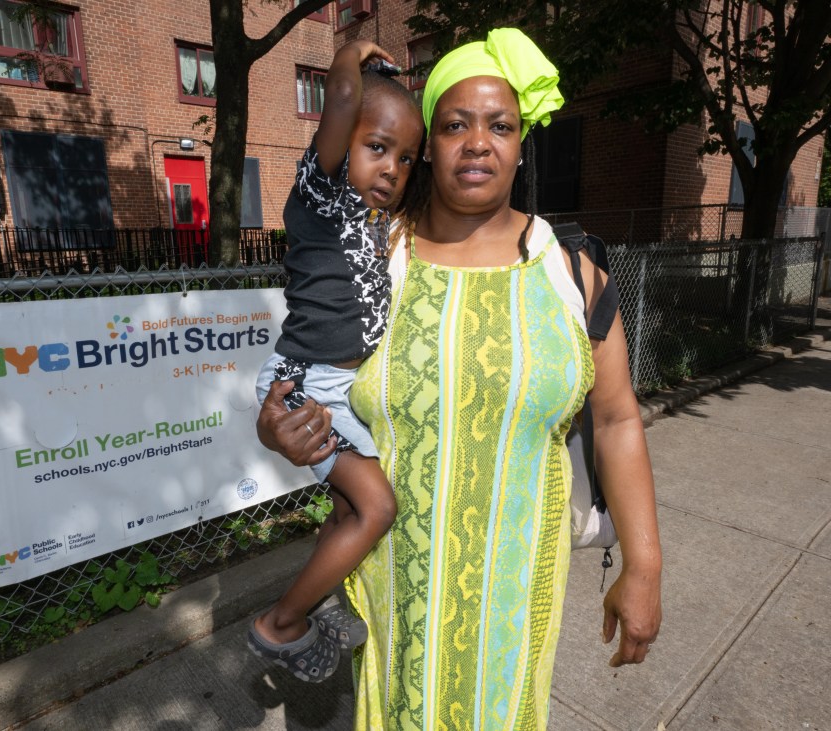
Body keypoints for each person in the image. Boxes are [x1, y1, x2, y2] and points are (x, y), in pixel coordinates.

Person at [256, 28, 663, 729]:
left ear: (520, 141)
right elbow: (306, 371)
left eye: (500, 125)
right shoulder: (376, 262)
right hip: (393, 598)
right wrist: (279, 427)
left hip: (513, 605)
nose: (478, 142)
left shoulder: (572, 274)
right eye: (455, 125)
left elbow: (620, 417)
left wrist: (646, 564)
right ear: (428, 143)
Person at [248, 40, 425, 683]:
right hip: (307, 383)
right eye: (377, 147)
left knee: (352, 511)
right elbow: (346, 100)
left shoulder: (381, 221)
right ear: (341, 141)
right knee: (377, 507)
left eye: (405, 158)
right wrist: (349, 55)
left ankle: (318, 603)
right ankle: (280, 626)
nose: (392, 168)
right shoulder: (322, 192)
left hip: (343, 385)